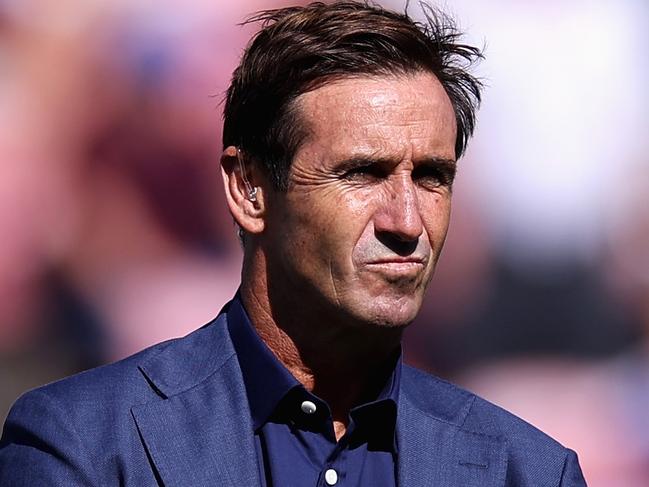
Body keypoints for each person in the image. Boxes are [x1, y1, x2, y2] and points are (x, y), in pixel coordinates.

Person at [0, 1, 587, 485]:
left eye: (433, 177)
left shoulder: (527, 470)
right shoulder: (83, 445)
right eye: (362, 173)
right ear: (249, 188)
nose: (408, 221)